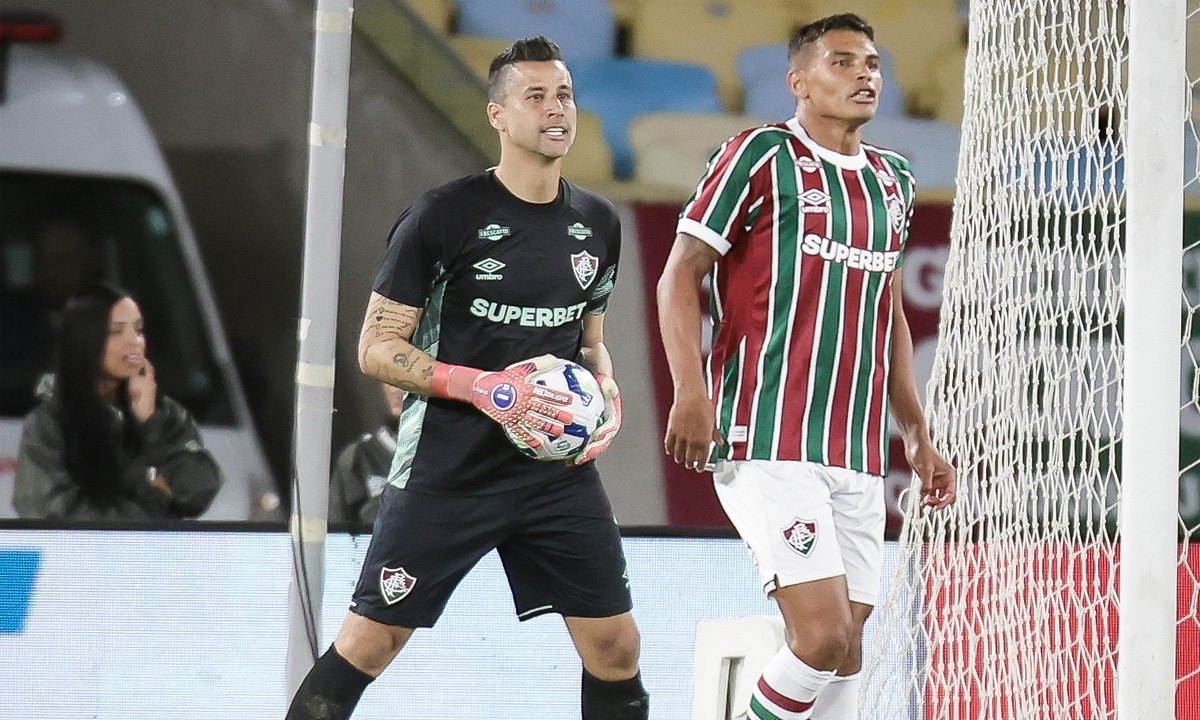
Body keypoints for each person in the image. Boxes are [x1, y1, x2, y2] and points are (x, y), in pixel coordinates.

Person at [285, 36, 647, 720]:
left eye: (564, 94)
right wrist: (483, 388)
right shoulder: (442, 217)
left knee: (616, 646)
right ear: (497, 116)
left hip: (553, 474)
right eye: (534, 96)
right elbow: (376, 348)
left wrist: (607, 396)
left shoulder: (597, 222)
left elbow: (590, 344)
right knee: (369, 643)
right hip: (448, 468)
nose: (554, 109)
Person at [656, 14, 957, 720]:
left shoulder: (893, 179)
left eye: (873, 64)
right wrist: (691, 392)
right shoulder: (758, 156)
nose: (865, 75)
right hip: (766, 436)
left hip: (853, 450)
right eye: (843, 61)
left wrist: (914, 430)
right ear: (798, 81)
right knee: (820, 638)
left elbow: (885, 309)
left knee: (848, 648)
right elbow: (678, 275)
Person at [13, 283, 222, 520]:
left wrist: (150, 421)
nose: (134, 342)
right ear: (84, 340)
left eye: (138, 330)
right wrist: (155, 500)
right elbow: (50, 512)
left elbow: (199, 491)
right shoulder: (49, 421)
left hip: (157, 555)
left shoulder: (164, 414)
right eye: (116, 331)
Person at [328, 383, 405, 528]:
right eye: (389, 379)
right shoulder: (357, 456)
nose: (396, 389)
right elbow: (336, 531)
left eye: (406, 378)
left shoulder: (448, 456)